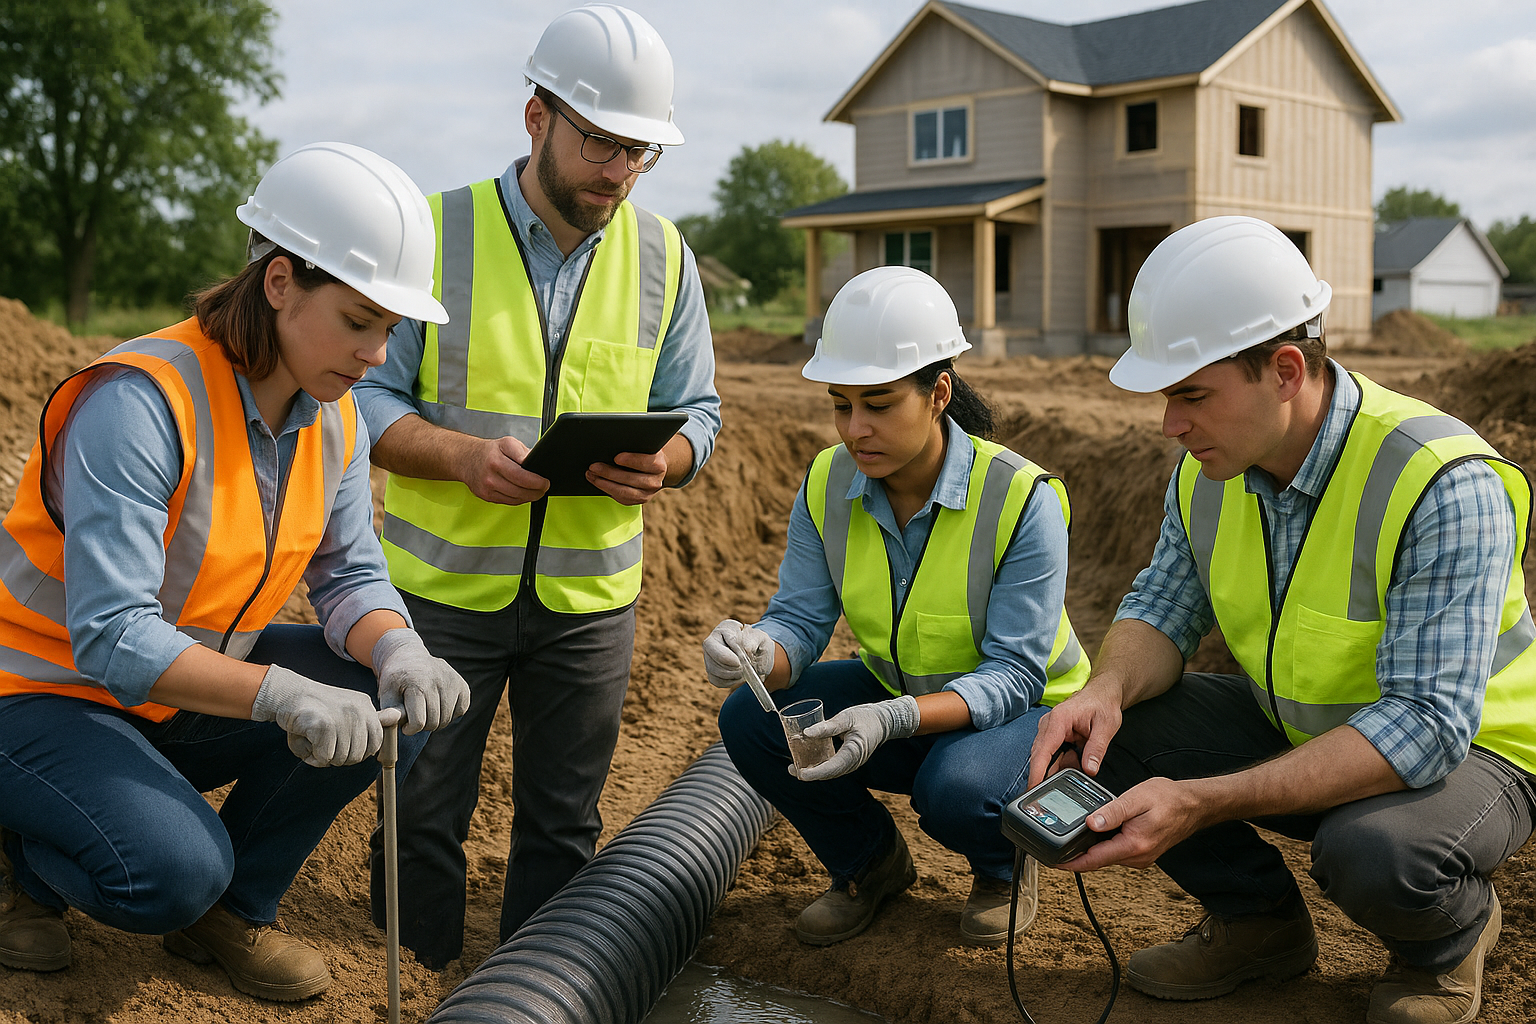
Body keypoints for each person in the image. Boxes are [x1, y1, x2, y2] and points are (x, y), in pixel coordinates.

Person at [1028, 216, 1536, 1024]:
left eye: (1192, 395)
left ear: (1287, 369)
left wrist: (1206, 799)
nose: (1172, 425)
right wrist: (1108, 687)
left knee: (1375, 851)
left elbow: (1426, 726)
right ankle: (1259, 926)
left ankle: (1448, 941)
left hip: (1467, 754)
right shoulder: (1207, 473)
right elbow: (1162, 605)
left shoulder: (1442, 482)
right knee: (1110, 733)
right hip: (1303, 724)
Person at [0, 141, 471, 1002]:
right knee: (169, 870)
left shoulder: (334, 420)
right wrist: (282, 695)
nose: (376, 355)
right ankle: (24, 863)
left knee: (395, 705)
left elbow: (350, 577)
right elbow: (109, 635)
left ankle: (229, 910)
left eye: (391, 330)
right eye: (359, 321)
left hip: (172, 690)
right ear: (281, 281)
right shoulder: (140, 403)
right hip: (41, 695)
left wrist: (399, 648)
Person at [354, 3, 721, 969]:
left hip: (590, 599)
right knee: (422, 810)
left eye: (640, 152)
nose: (618, 172)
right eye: (601, 142)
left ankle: (542, 987)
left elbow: (702, 412)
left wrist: (667, 461)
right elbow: (364, 401)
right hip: (440, 591)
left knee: (563, 825)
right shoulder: (431, 232)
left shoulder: (665, 258)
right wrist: (461, 458)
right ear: (536, 117)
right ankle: (415, 972)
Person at [706, 266, 1090, 947]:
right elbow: (799, 617)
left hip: (1030, 715)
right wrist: (761, 649)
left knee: (955, 788)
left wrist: (894, 718)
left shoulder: (1021, 498)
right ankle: (869, 865)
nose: (855, 429)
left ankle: (1003, 864)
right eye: (840, 404)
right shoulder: (829, 480)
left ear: (938, 393)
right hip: (903, 692)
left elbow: (1015, 675)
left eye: (879, 404)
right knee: (751, 721)